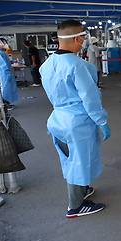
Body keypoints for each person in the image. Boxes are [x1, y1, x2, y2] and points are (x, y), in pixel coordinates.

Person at [39, 20, 110, 218]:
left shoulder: (47, 65)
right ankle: (75, 206)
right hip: (77, 122)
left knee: (69, 158)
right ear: (78, 39)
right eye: (84, 38)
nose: (84, 42)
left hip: (57, 119)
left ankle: (82, 189)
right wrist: (102, 121)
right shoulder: (78, 65)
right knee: (79, 161)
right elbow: (90, 98)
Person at [0, 38, 19, 105]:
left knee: (8, 89)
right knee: (5, 89)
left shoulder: (2, 52)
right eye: (4, 43)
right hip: (4, 73)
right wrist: (8, 73)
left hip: (7, 73)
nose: (6, 44)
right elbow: (3, 65)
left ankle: (8, 102)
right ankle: (5, 103)